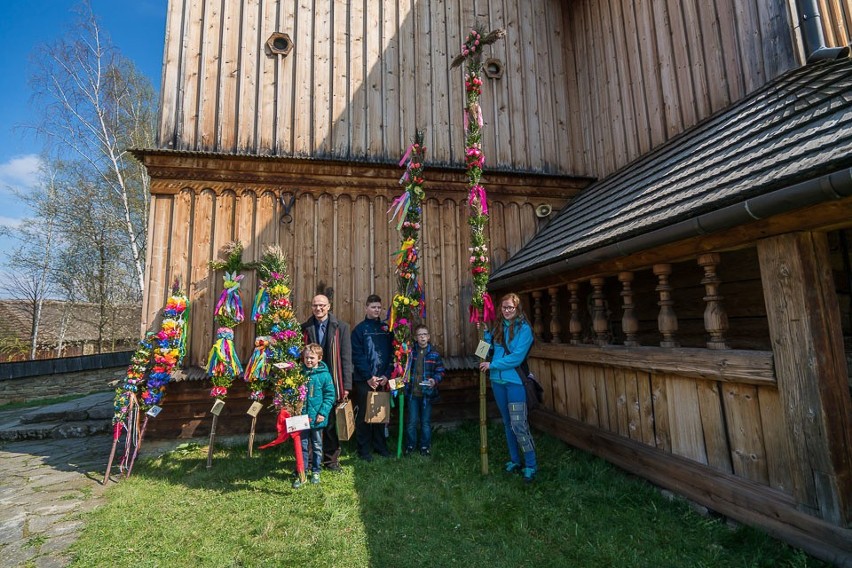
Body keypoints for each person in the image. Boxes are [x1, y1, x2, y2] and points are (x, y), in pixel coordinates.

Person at [479, 293, 538, 483]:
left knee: (519, 424)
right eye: (504, 307)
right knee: (507, 424)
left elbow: (517, 358)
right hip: (498, 382)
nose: (506, 311)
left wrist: (492, 366)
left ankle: (530, 464)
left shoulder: (524, 330)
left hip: (515, 383)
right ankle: (515, 460)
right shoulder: (497, 327)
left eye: (510, 308)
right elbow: (482, 352)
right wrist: (484, 335)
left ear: (518, 308)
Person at [300, 294, 352, 471]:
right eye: (315, 305)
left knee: (330, 423)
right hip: (311, 381)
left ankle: (331, 460)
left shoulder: (341, 328)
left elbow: (346, 357)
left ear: (329, 306)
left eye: (322, 305)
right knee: (310, 423)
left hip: (333, 381)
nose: (318, 308)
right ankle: (310, 461)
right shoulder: (305, 328)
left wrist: (346, 386)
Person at [350, 294, 394, 461]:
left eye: (379, 307)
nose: (376, 310)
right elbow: (357, 355)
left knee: (380, 415)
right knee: (364, 415)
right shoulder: (359, 330)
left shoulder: (386, 329)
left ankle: (380, 447)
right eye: (373, 307)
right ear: (366, 308)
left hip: (382, 380)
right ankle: (363, 450)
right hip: (365, 380)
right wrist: (369, 376)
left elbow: (391, 354)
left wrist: (386, 375)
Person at [293, 343, 336, 488]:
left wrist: (323, 413)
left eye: (312, 358)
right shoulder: (300, 374)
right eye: (306, 358)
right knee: (302, 445)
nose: (309, 360)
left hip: (317, 417)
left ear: (319, 358)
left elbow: (330, 396)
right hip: (301, 418)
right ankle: (302, 471)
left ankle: (316, 471)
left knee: (317, 445)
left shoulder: (324, 375)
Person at [405, 325, 445, 456]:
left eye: (424, 334)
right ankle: (410, 445)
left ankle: (424, 446)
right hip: (413, 394)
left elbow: (440, 371)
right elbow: (405, 369)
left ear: (428, 337)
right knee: (411, 421)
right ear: (416, 338)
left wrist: (434, 380)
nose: (422, 336)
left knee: (425, 423)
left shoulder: (434, 354)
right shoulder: (411, 353)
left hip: (427, 394)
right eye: (419, 335)